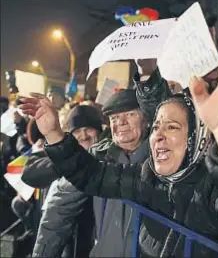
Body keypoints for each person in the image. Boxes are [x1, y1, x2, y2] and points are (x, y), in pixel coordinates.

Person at [20, 29, 218, 257]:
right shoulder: (146, 177)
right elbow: (90, 174)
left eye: (172, 127)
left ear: (196, 139)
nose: (158, 135)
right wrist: (54, 132)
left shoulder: (213, 187)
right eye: (157, 126)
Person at [25, 93, 151, 258]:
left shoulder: (165, 159)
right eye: (114, 118)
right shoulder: (96, 158)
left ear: (147, 119)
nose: (121, 122)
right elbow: (59, 211)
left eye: (130, 114)